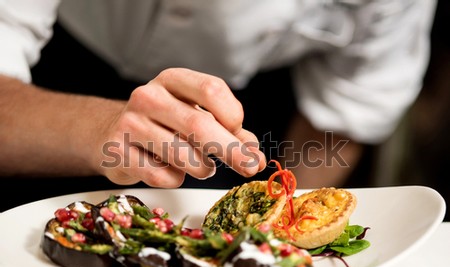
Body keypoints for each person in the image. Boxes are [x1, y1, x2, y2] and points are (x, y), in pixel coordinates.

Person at [0, 0, 437, 211]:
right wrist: (99, 128)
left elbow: (344, 113)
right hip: (50, 87)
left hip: (261, 111)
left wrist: (280, 225)